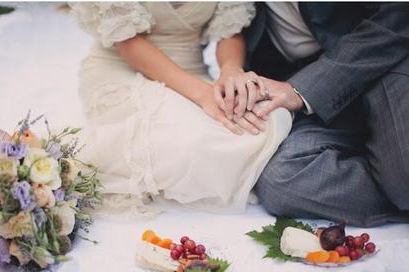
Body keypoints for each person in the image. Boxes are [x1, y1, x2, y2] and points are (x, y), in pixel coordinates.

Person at [69, 2, 292, 215]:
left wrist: (230, 70)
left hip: (192, 70)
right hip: (123, 69)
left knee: (270, 118)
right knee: (192, 140)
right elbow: (128, 42)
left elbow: (230, 31)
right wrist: (202, 94)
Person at [222, 3, 409, 227]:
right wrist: (232, 70)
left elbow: (398, 17)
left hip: (385, 68)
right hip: (301, 87)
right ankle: (395, 186)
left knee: (404, 178)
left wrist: (303, 89)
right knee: (281, 181)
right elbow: (228, 24)